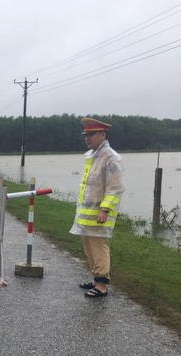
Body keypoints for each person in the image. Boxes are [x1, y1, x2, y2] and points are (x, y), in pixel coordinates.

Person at [70, 118, 125, 298]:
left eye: (91, 134)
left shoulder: (111, 157)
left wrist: (105, 210)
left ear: (103, 134)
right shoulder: (92, 156)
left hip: (100, 214)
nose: (87, 138)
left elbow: (115, 187)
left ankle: (102, 284)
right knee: (88, 245)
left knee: (99, 246)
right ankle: (96, 278)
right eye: (86, 134)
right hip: (87, 214)